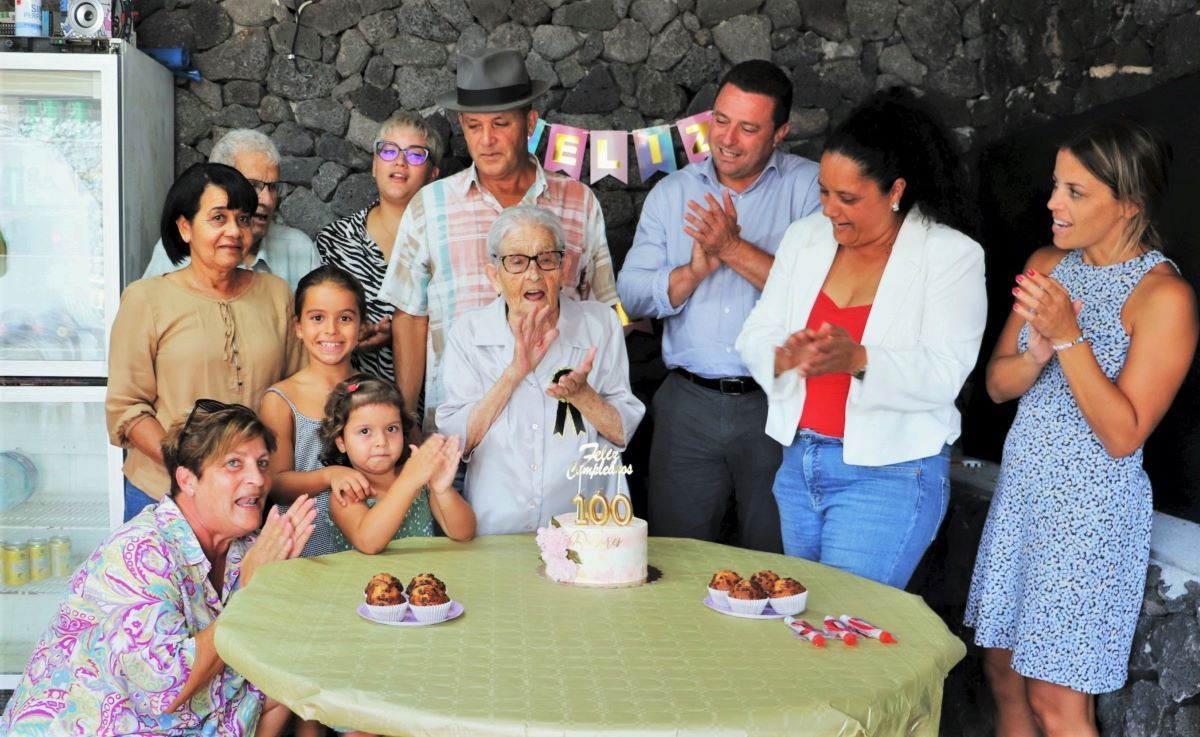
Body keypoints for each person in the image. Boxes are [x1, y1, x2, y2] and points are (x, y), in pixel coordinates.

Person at [965, 120, 1197, 736]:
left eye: (1075, 191)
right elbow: (996, 386)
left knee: (1057, 705)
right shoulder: (1047, 265)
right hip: (1025, 498)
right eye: (1054, 185)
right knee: (1004, 676)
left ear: (1129, 205)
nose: (1052, 203)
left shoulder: (1162, 296)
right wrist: (1038, 352)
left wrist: (1069, 336)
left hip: (1089, 517)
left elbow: (1123, 435)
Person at [735, 88, 987, 588]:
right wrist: (783, 356)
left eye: (848, 198)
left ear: (895, 190)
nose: (830, 209)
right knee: (805, 625)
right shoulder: (805, 237)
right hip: (798, 465)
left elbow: (945, 372)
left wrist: (859, 358)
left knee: (844, 631)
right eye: (824, 192)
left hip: (890, 476)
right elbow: (756, 331)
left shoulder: (950, 254)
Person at [0, 401, 317, 735]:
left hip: (193, 714)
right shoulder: (138, 551)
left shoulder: (247, 546)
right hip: (107, 725)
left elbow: (279, 642)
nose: (258, 478)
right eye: (234, 463)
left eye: (263, 463)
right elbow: (167, 689)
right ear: (188, 479)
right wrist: (251, 593)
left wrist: (277, 583)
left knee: (290, 676)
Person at [617, 60, 820, 553]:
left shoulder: (810, 189)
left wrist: (732, 249)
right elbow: (629, 293)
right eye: (721, 121)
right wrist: (692, 273)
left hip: (780, 402)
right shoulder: (672, 193)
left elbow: (821, 297)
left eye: (748, 128)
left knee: (775, 556)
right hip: (688, 404)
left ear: (780, 133)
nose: (727, 139)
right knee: (675, 556)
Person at [379, 48, 618, 433]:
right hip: (458, 422)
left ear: (531, 123)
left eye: (501, 124)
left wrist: (601, 413)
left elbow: (603, 315)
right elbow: (410, 316)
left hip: (556, 422)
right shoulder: (431, 205)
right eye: (474, 126)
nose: (486, 140)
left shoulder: (578, 202)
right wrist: (406, 419)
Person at [107, 163, 303, 520]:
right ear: (185, 227)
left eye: (243, 219)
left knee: (253, 578)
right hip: (165, 494)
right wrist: (193, 470)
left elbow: (297, 389)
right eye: (218, 218)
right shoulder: (145, 299)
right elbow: (128, 410)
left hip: (253, 496)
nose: (234, 231)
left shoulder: (275, 293)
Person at [436, 207, 643, 535]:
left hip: (584, 528)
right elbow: (458, 442)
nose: (533, 275)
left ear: (565, 268)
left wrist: (582, 395)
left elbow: (621, 432)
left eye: (546, 259)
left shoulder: (600, 324)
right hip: (495, 528)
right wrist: (514, 373)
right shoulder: (469, 332)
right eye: (517, 262)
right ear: (494, 276)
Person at [315, 113, 443, 383]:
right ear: (374, 165)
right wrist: (355, 335)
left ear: (433, 174)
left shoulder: (447, 241)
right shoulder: (335, 241)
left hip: (435, 400)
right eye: (388, 151)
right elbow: (316, 325)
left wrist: (404, 329)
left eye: (416, 155)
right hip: (353, 403)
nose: (400, 161)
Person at [261, 266, 374, 558]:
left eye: (345, 318)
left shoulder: (378, 393)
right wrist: (330, 475)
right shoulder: (282, 399)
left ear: (362, 326)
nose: (331, 330)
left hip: (372, 542)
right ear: (298, 326)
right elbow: (276, 482)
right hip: (308, 547)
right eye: (317, 318)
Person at [143, 129, 321, 292]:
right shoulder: (178, 249)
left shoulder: (300, 249)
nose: (267, 200)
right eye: (252, 185)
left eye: (273, 187)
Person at [326, 375, 476, 551]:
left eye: (391, 429)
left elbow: (464, 533)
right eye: (365, 431)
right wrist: (409, 481)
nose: (381, 441)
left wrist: (443, 490)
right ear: (341, 442)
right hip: (368, 579)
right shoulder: (347, 492)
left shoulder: (420, 478)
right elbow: (368, 542)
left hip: (422, 578)